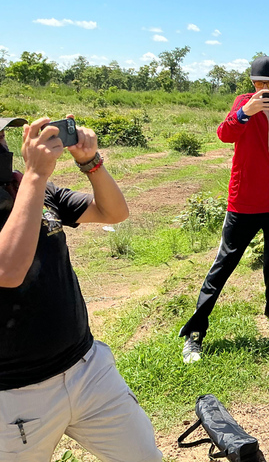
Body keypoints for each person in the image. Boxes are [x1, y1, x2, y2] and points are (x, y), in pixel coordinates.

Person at [0, 116, 162, 461]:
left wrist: (90, 163)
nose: (4, 146)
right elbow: (9, 270)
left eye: (3, 136)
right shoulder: (30, 184)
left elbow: (113, 212)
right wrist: (34, 176)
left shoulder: (30, 190)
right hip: (16, 393)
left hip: (87, 368)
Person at [179, 56, 269, 363]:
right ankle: (195, 332)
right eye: (258, 83)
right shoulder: (244, 103)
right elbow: (224, 134)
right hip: (245, 202)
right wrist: (243, 113)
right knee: (224, 264)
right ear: (252, 83)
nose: (264, 89)